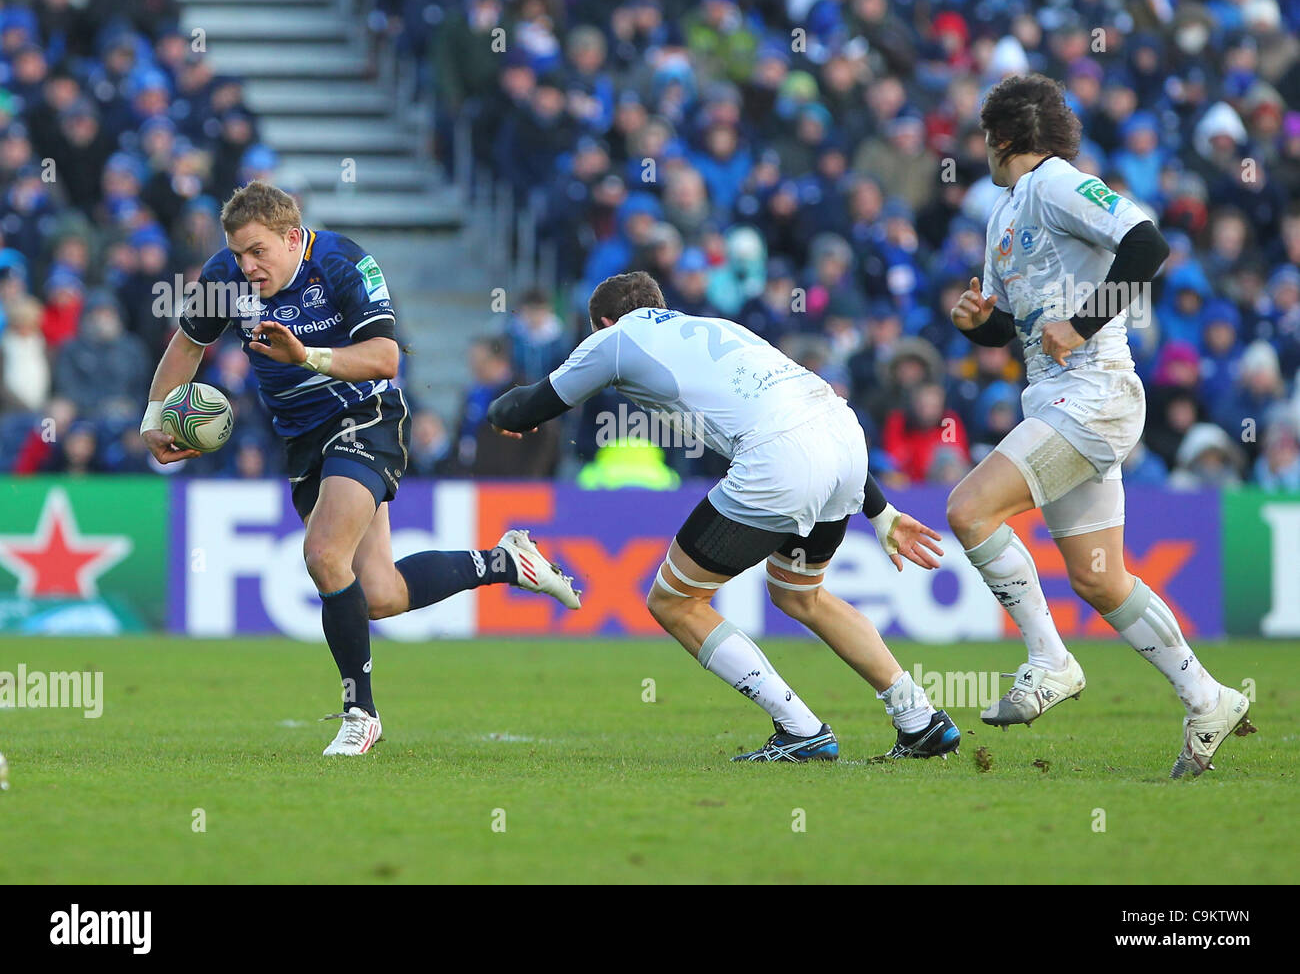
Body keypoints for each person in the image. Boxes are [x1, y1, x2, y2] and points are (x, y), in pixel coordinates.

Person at [139, 181, 580, 756]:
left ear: (292, 237)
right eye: (239, 254)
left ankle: (360, 712)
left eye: (258, 252)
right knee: (379, 594)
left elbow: (385, 357)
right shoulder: (223, 277)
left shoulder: (344, 264)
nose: (247, 266)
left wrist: (307, 355)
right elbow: (188, 344)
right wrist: (154, 417)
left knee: (323, 554)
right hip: (301, 440)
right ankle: (504, 560)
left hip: (364, 417)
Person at [488, 270, 957, 762]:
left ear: (603, 323)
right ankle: (919, 719)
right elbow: (804, 414)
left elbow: (524, 407)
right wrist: (881, 511)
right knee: (801, 594)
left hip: (781, 459)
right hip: (845, 437)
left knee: (675, 601)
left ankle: (801, 729)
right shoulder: (719, 327)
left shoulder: (616, 339)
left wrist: (499, 414)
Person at [945, 75, 1253, 779]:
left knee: (968, 508)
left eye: (984, 138)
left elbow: (1148, 244)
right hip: (1058, 398)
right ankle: (1207, 697)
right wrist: (979, 325)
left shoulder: (1056, 182)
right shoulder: (1003, 216)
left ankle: (1050, 660)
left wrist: (1082, 323)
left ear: (1000, 138)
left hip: (1094, 393)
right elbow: (1020, 332)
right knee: (1098, 577)